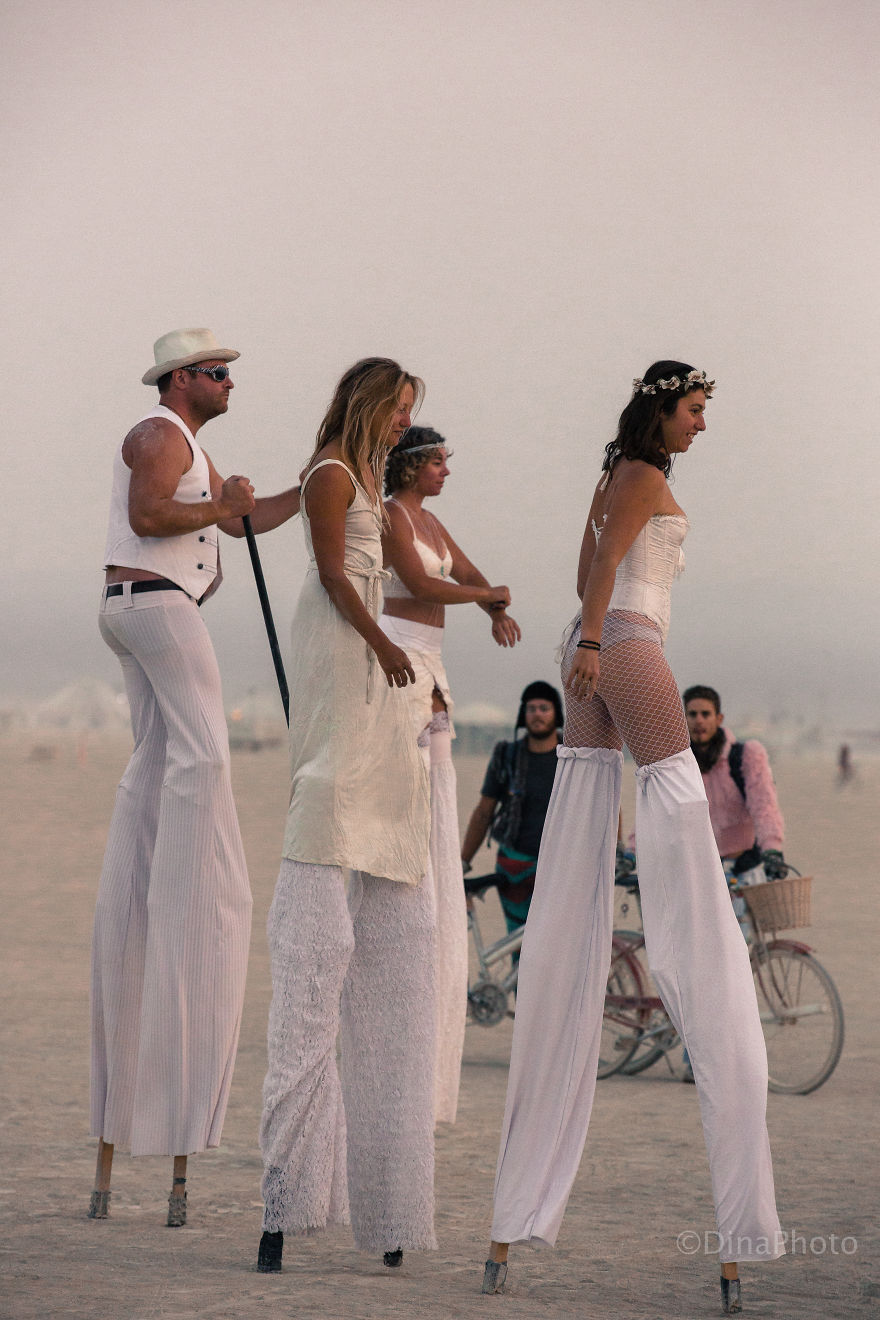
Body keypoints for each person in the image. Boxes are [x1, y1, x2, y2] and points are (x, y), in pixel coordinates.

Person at [483, 362, 783, 1315]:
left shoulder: (617, 474)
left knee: (588, 811)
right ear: (665, 406)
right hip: (629, 643)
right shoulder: (643, 478)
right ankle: (701, 943)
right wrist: (596, 646)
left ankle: (510, 1225)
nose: (703, 424)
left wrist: (582, 640)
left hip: (599, 639)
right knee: (680, 808)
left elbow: (584, 575)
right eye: (697, 409)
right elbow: (605, 579)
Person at [90, 328, 302, 1227]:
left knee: (159, 756)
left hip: (143, 607)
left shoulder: (196, 451)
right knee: (206, 753)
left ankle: (154, 858)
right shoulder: (158, 433)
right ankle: (181, 879)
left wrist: (319, 484)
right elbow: (148, 516)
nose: (228, 382)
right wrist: (216, 512)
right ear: (182, 379)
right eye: (217, 372)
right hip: (152, 602)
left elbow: (244, 521)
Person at [257, 359, 435, 1275]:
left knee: (382, 791)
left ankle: (386, 1199)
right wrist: (383, 644)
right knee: (329, 784)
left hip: (374, 641)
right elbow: (334, 575)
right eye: (400, 406)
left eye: (414, 411)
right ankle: (285, 1202)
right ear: (370, 402)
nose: (409, 421)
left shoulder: (360, 475)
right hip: (342, 636)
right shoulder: (335, 470)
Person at [380, 426, 520, 1124]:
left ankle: (439, 881)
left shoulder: (432, 518)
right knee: (410, 781)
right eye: (437, 461)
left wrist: (495, 604)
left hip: (434, 658)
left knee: (440, 783)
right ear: (410, 465)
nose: (445, 472)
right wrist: (484, 594)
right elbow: (418, 581)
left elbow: (462, 572)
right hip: (401, 652)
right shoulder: (390, 516)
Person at [460, 681, 563, 939]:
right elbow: (484, 812)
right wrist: (463, 862)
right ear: (523, 715)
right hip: (515, 865)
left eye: (544, 708)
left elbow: (602, 805)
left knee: (560, 945)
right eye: (531, 709)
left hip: (562, 864)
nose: (537, 714)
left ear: (556, 714)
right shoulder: (507, 755)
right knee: (520, 944)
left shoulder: (571, 757)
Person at [684, 685, 787, 884]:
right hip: (700, 871)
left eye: (706, 714)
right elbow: (660, 809)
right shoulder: (680, 764)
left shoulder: (744, 756)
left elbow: (763, 805)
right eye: (692, 714)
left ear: (719, 718)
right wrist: (632, 851)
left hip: (747, 869)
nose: (699, 720)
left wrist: (772, 848)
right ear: (684, 719)